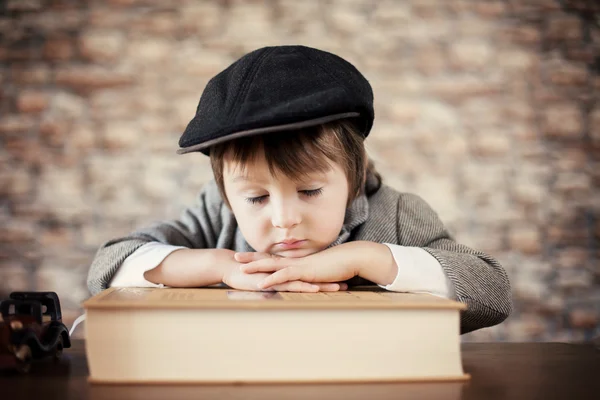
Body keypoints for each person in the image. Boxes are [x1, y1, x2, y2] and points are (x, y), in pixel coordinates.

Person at [87, 45, 512, 333]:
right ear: (226, 195)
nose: (284, 218)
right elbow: (107, 265)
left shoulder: (397, 214)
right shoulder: (215, 216)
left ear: (354, 173)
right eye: (255, 198)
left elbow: (492, 291)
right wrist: (221, 267)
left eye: (309, 191)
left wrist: (364, 257)